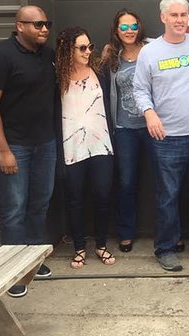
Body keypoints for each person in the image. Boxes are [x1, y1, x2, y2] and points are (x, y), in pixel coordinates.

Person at [0, 5, 55, 298]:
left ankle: (31, 261)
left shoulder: (47, 55)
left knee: (39, 203)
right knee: (14, 208)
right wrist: (3, 149)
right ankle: (12, 271)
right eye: (37, 24)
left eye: (46, 24)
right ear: (19, 26)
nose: (44, 29)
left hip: (45, 143)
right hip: (14, 146)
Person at [133, 0, 189, 271]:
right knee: (168, 196)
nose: (180, 20)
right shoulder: (150, 52)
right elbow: (140, 89)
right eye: (174, 15)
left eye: (184, 15)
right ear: (163, 18)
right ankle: (165, 248)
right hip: (166, 139)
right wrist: (149, 112)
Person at [55, 27, 116, 269]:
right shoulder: (57, 77)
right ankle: (79, 247)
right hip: (71, 147)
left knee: (103, 195)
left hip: (101, 145)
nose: (88, 51)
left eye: (90, 46)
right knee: (75, 199)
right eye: (82, 47)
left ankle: (101, 244)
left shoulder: (99, 71)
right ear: (68, 50)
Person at [99, 9, 151, 253]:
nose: (129, 31)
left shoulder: (152, 49)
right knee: (126, 182)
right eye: (124, 27)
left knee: (163, 181)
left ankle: (171, 232)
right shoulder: (112, 56)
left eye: (133, 26)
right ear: (116, 30)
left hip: (153, 127)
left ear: (139, 27)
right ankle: (126, 232)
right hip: (124, 129)